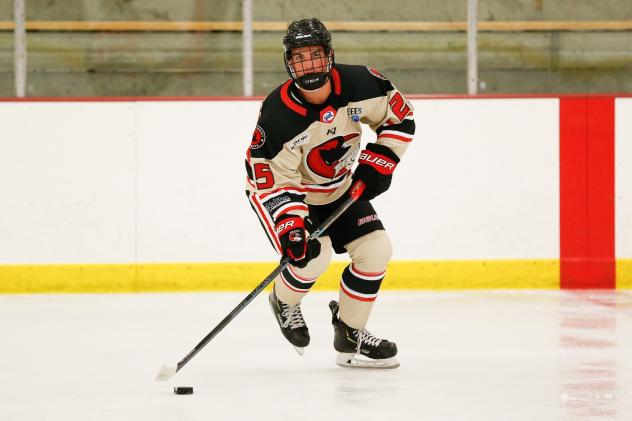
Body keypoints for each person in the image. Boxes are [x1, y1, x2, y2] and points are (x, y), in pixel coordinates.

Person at [245, 18, 414, 368]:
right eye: (299, 57)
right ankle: (283, 299)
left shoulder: (362, 82)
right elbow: (272, 179)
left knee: (376, 250)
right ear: (289, 63)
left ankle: (350, 335)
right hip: (287, 193)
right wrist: (292, 225)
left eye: (315, 55)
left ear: (329, 56)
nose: (308, 64)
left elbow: (399, 118)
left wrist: (378, 162)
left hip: (338, 187)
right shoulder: (277, 114)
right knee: (312, 255)